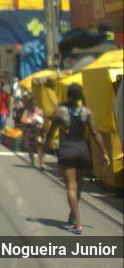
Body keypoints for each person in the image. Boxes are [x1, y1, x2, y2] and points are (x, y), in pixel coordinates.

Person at [44, 83, 110, 235]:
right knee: (78, 186)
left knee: (70, 187)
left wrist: (43, 150)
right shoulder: (87, 112)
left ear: (68, 94)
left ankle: (78, 223)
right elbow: (95, 133)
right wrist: (104, 153)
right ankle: (72, 214)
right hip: (82, 151)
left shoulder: (59, 112)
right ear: (81, 96)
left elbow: (51, 133)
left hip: (66, 151)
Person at [20, 94, 45, 170]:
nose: (33, 107)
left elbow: (44, 120)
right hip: (29, 131)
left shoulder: (39, 111)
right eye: (32, 105)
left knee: (40, 147)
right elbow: (22, 120)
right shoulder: (26, 111)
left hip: (38, 131)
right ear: (29, 105)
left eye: (35, 105)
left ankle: (41, 164)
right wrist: (30, 122)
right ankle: (32, 162)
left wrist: (40, 122)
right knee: (30, 147)